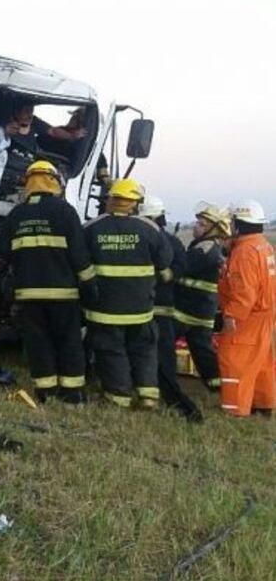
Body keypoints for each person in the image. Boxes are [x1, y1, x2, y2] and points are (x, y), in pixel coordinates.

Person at [0, 160, 96, 403]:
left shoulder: (16, 215)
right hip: (64, 296)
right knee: (69, 342)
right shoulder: (65, 212)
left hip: (28, 296)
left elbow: (2, 254)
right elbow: (79, 255)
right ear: (53, 181)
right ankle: (72, 393)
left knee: (38, 343)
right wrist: (90, 287)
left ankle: (45, 391)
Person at [83, 179, 172, 409]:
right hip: (140, 308)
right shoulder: (150, 229)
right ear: (135, 203)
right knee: (144, 349)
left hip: (105, 308)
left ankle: (118, 396)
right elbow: (165, 265)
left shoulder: (92, 228)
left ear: (111, 200)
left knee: (112, 350)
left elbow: (80, 262)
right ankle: (148, 396)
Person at [139, 195, 202, 421]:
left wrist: (157, 277)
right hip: (162, 308)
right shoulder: (171, 241)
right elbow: (181, 267)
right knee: (163, 355)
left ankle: (147, 392)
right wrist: (166, 276)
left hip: (142, 307)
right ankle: (166, 394)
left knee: (141, 352)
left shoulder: (141, 238)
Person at [216, 199, 275, 418]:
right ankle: (263, 403)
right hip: (264, 313)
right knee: (260, 361)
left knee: (235, 360)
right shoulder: (262, 245)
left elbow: (244, 292)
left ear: (239, 224)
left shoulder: (244, 251)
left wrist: (231, 315)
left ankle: (236, 410)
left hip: (247, 316)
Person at [173, 202, 229, 391]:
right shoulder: (208, 246)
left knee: (160, 342)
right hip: (201, 309)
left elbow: (182, 267)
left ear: (213, 229)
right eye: (197, 222)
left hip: (188, 310)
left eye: (202, 224)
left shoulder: (205, 249)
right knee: (203, 352)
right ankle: (217, 386)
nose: (196, 226)